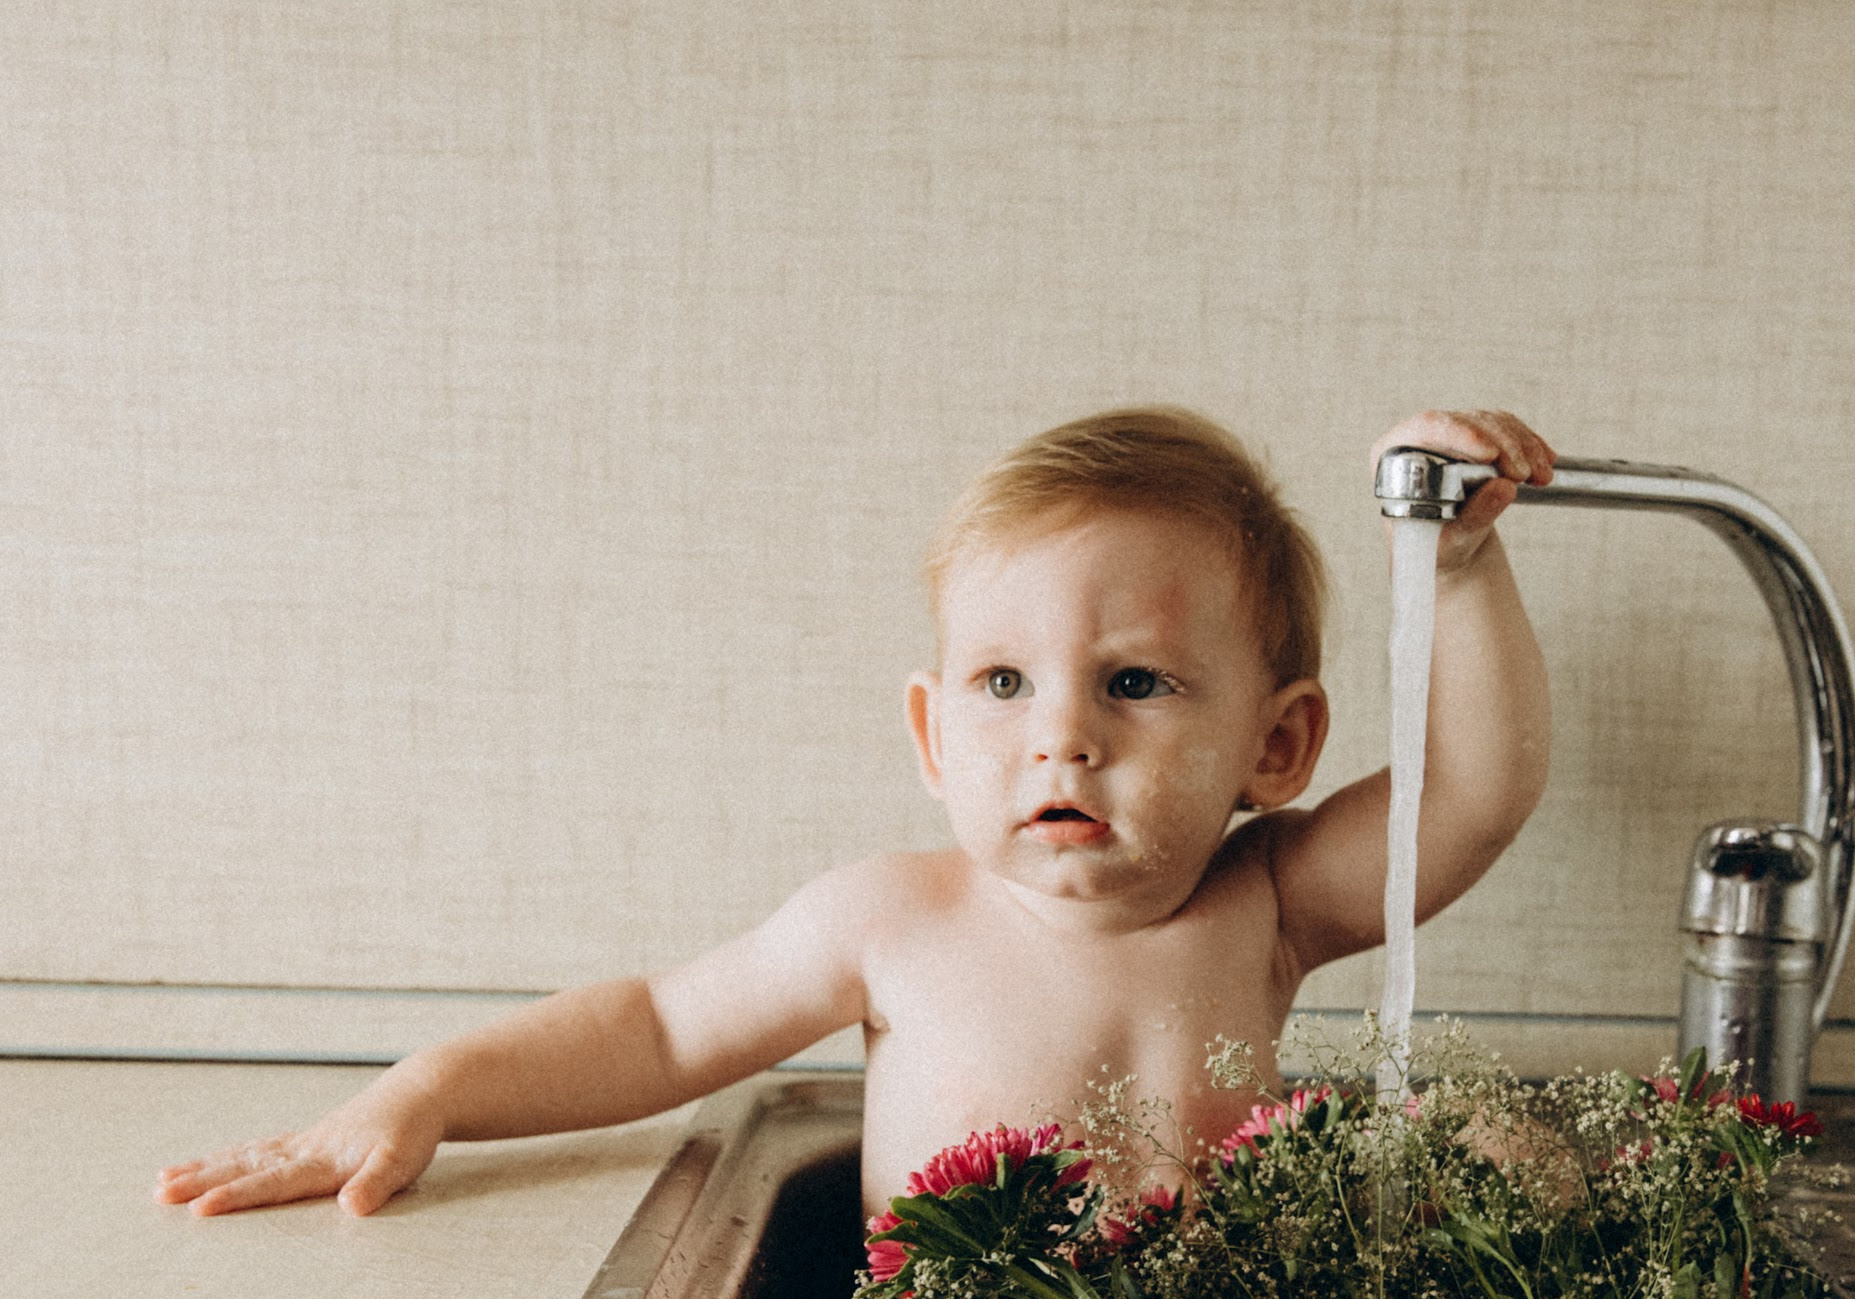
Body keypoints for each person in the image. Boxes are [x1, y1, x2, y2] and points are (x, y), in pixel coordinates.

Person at [155, 406, 1554, 1222]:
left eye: (1135, 681)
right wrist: (432, 1091)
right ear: (935, 736)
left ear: (1279, 743)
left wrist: (1460, 565)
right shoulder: (893, 921)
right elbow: (654, 1029)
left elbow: (1477, 795)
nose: (1060, 732)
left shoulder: (1268, 902)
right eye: (1002, 682)